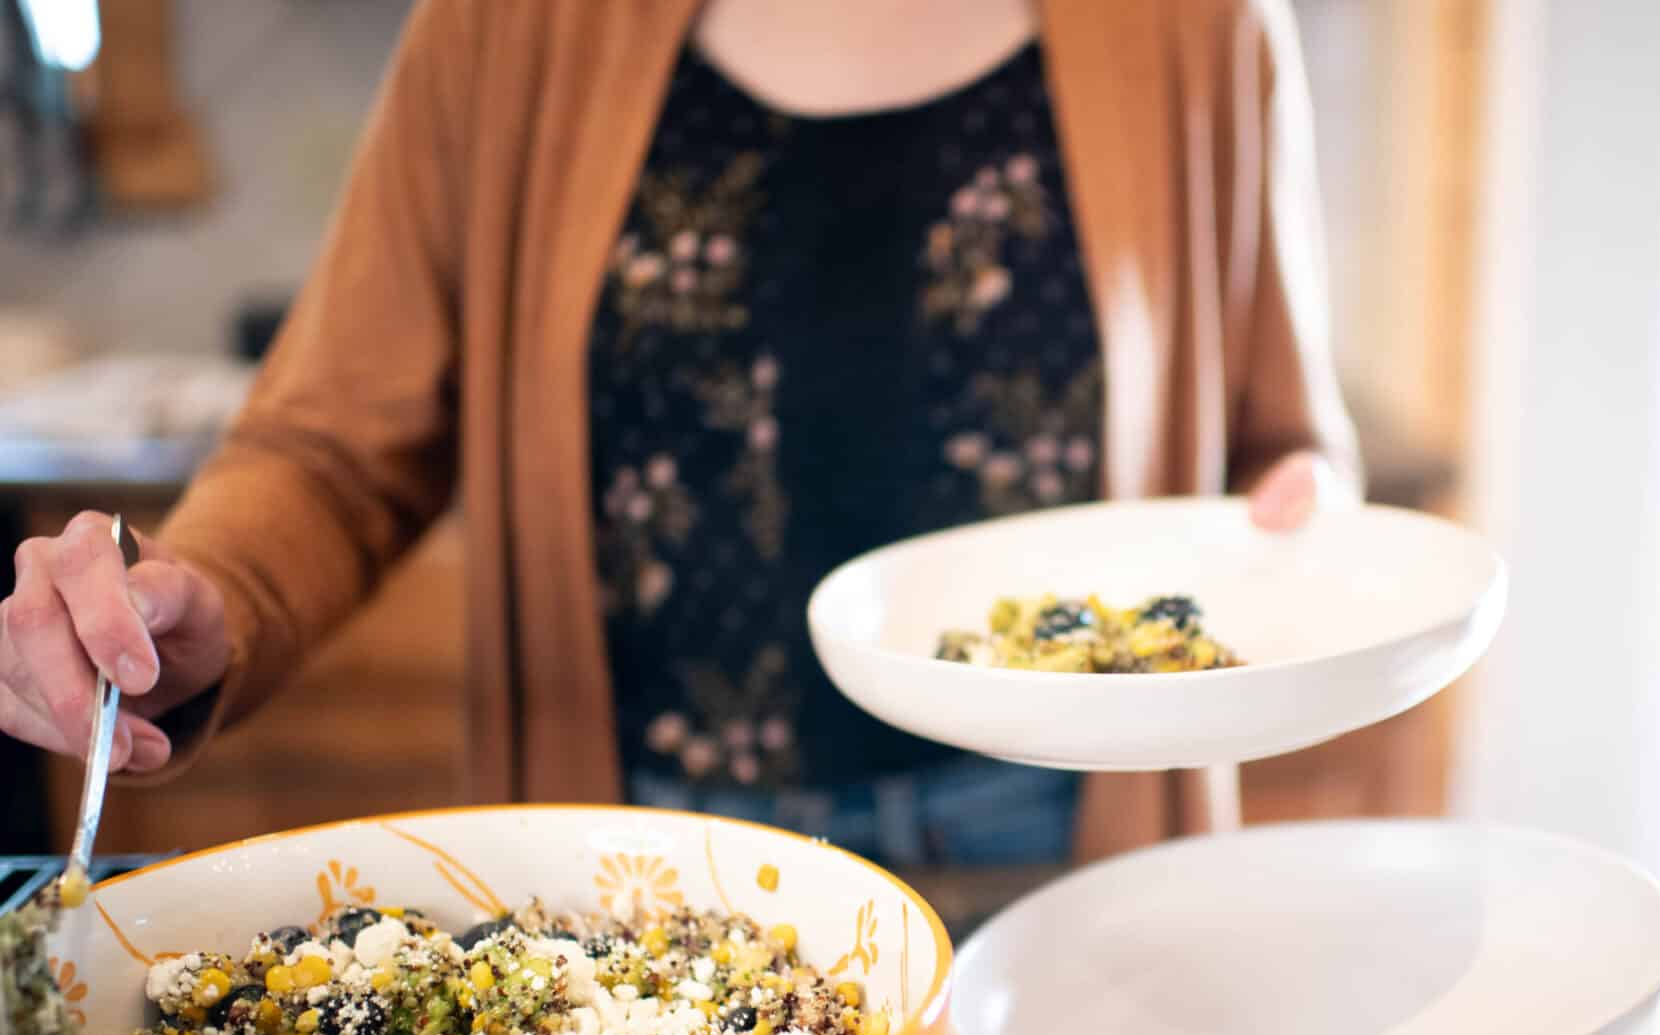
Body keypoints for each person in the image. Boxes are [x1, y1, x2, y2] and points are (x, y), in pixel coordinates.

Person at [0, 0, 1357, 868]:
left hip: (1061, 847)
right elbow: (333, 452)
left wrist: (1305, 517)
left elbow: (1283, 445)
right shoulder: (507, 33)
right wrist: (206, 597)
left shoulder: (1198, 29)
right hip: (645, 856)